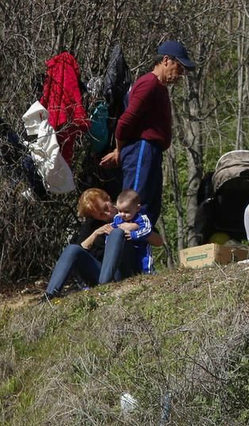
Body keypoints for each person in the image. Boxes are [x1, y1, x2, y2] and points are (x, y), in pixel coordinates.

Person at [99, 41, 192, 217]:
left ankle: (140, 242)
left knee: (148, 208)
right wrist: (119, 150)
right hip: (142, 148)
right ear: (166, 60)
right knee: (133, 203)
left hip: (152, 151)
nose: (181, 74)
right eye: (179, 68)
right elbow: (126, 121)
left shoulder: (159, 88)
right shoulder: (149, 83)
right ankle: (124, 241)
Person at [43, 188, 116, 299]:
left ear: (108, 198)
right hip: (99, 271)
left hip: (120, 268)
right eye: (101, 215)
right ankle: (50, 294)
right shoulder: (91, 225)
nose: (107, 214)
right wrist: (96, 233)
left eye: (106, 208)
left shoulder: (127, 212)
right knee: (72, 249)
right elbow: (79, 249)